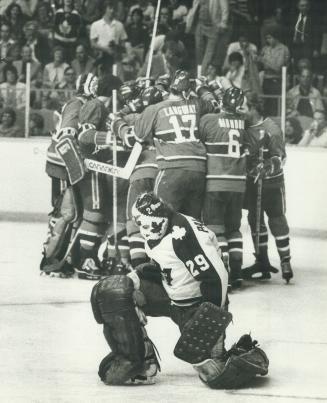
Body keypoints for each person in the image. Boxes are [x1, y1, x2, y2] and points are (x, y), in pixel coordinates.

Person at [90, 191, 269, 387]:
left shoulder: (183, 235)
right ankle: (138, 359)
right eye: (143, 224)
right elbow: (166, 265)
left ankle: (243, 356)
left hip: (197, 306)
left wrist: (211, 321)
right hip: (171, 292)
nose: (148, 229)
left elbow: (217, 278)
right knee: (114, 292)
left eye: (153, 223)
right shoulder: (161, 227)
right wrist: (133, 284)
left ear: (165, 214)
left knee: (214, 374)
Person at [132, 70, 214, 219]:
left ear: (171, 88)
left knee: (159, 219)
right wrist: (202, 88)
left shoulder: (155, 109)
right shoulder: (197, 104)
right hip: (199, 170)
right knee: (192, 223)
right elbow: (214, 104)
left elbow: (137, 135)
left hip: (172, 169)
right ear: (188, 91)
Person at [40, 73, 99, 278]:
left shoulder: (78, 103)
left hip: (61, 163)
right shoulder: (77, 103)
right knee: (67, 213)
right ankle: (50, 258)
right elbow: (66, 137)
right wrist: (78, 168)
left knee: (70, 213)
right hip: (63, 163)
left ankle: (59, 256)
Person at [242, 92, 293, 283]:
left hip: (272, 183)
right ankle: (261, 259)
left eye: (244, 107)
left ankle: (285, 260)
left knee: (276, 218)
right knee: (254, 219)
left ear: (254, 108)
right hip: (252, 183)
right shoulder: (244, 127)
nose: (241, 111)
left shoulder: (271, 128)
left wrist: (268, 165)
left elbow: (281, 158)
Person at [200, 86, 246, 289]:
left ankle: (224, 271)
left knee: (216, 226)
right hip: (238, 184)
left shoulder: (209, 119)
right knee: (234, 228)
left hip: (215, 182)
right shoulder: (245, 122)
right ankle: (237, 272)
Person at [186, 0, 229, 75]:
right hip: (200, 23)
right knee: (199, 50)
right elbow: (195, 6)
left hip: (213, 25)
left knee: (209, 53)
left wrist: (223, 23)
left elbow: (225, 8)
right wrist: (189, 19)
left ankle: (203, 74)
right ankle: (199, 74)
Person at [259, 26, 290, 117]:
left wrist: (263, 61)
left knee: (274, 105)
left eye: (270, 38)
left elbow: (277, 67)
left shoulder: (283, 49)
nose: (268, 40)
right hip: (266, 80)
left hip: (276, 81)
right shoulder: (265, 49)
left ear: (276, 37)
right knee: (266, 104)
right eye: (267, 38)